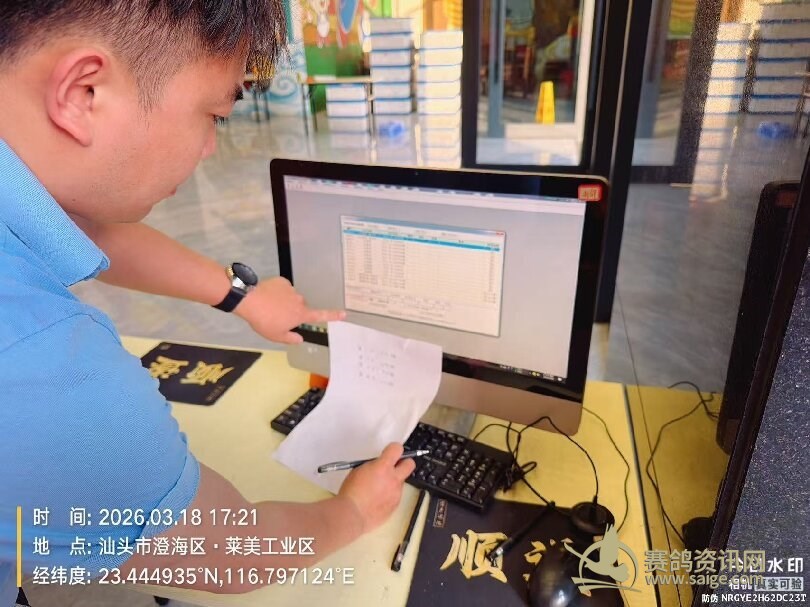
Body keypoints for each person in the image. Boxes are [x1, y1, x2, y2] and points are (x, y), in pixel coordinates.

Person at [0, 1, 415, 604]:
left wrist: (242, 297)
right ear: (84, 92)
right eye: (214, 115)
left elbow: (80, 225)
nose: (209, 149)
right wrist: (353, 512)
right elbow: (229, 552)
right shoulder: (44, 366)